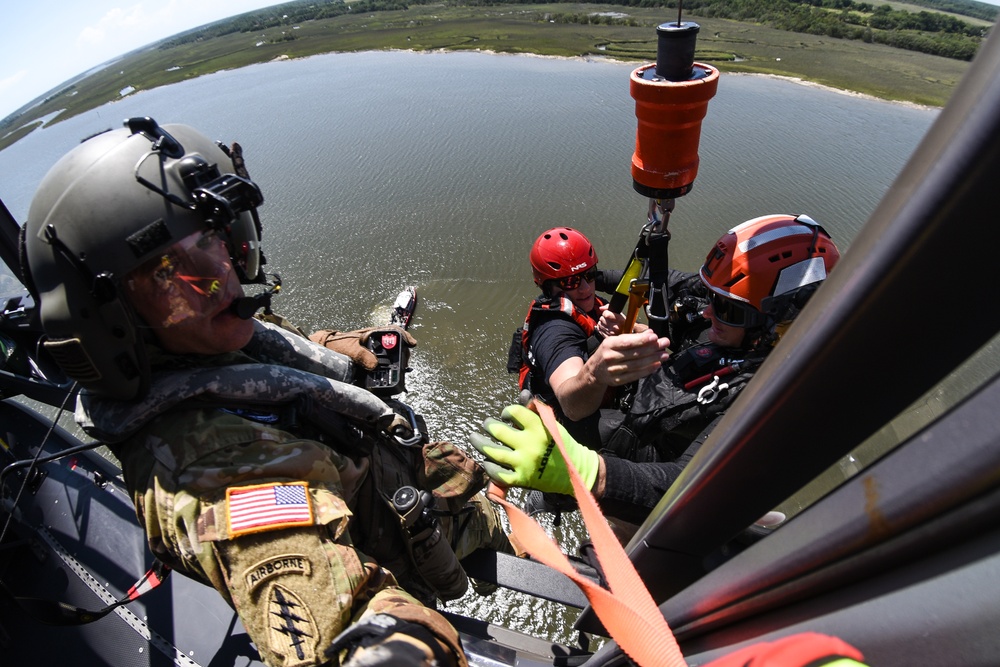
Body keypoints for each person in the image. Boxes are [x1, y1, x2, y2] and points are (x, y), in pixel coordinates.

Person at [22, 117, 511, 667]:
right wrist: (394, 651)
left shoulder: (200, 335)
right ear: (107, 320)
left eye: (217, 244)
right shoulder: (209, 464)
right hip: (413, 558)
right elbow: (323, 609)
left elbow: (263, 350)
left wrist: (332, 345)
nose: (220, 280)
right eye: (168, 274)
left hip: (435, 494)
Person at [477, 214, 841, 526]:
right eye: (713, 298)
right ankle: (554, 500)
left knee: (620, 502)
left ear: (779, 324)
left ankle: (562, 503)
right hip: (644, 414)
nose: (709, 311)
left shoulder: (766, 394)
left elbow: (687, 481)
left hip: (652, 444)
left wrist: (591, 473)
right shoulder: (557, 324)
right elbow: (663, 281)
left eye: (728, 309)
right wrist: (595, 282)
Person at [508, 226, 672, 450]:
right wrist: (597, 372)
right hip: (569, 425)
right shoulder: (553, 329)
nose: (585, 288)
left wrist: (630, 329)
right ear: (548, 286)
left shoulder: (592, 305)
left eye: (589, 275)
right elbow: (571, 404)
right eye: (570, 282)